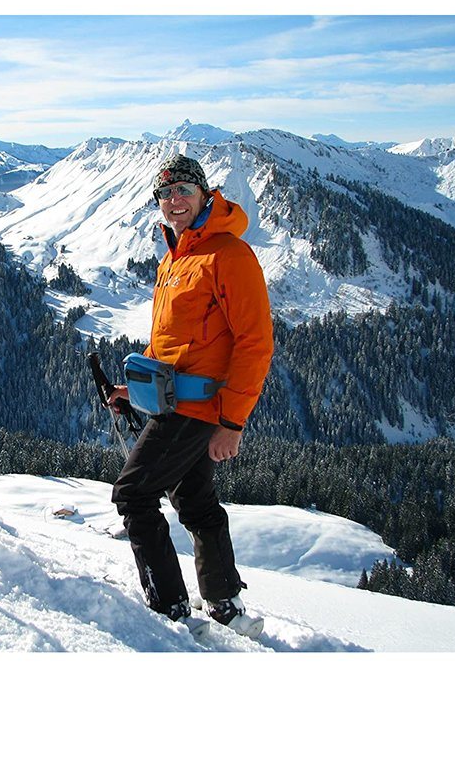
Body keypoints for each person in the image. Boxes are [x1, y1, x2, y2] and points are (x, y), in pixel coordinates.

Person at [108, 154, 273, 639]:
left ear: (205, 194)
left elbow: (255, 343)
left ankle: (169, 611)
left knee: (133, 494)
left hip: (199, 409)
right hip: (173, 401)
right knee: (196, 502)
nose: (174, 200)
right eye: (165, 193)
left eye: (183, 190)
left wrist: (233, 422)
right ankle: (225, 604)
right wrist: (133, 389)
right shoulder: (175, 257)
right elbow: (169, 345)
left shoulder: (229, 254)